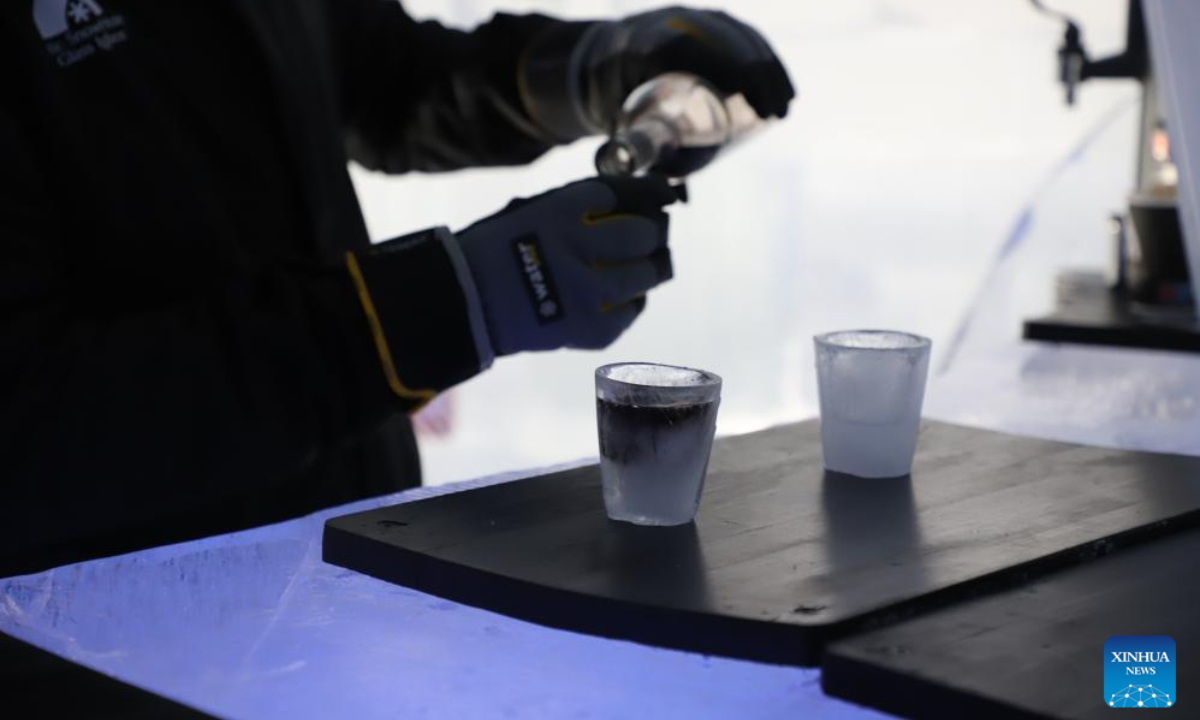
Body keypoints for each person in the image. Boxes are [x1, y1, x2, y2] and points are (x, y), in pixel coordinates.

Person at [0, 1, 793, 576]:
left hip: (345, 552)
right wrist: (444, 306)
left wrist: (592, 69)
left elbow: (384, 76)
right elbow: (34, 424)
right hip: (99, 626)